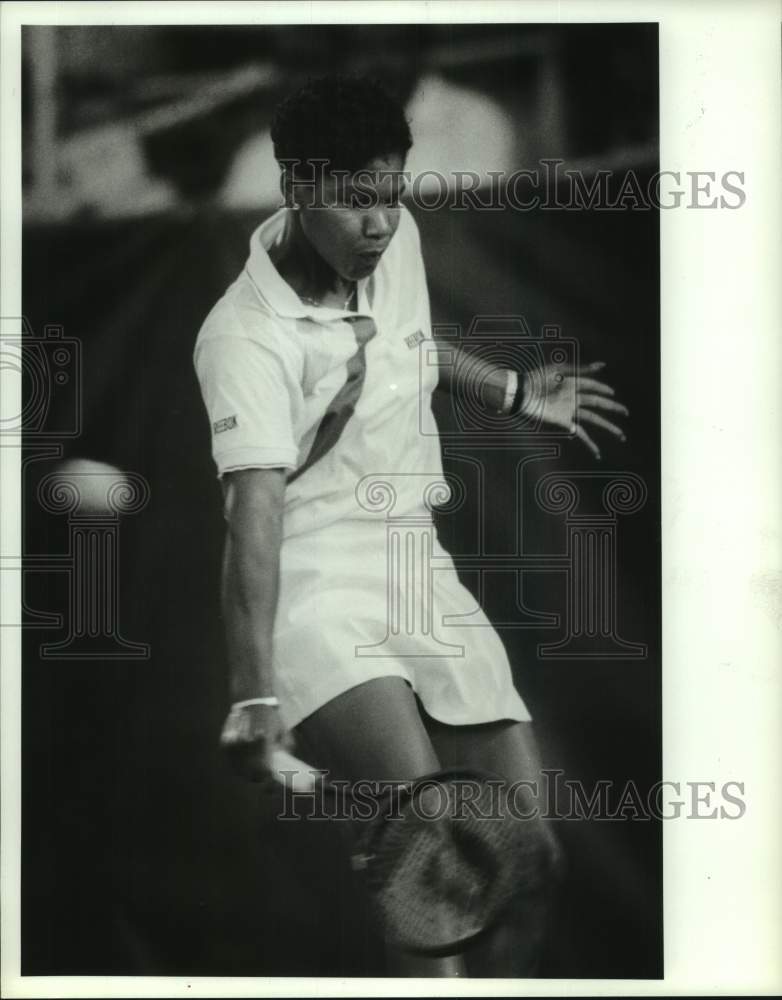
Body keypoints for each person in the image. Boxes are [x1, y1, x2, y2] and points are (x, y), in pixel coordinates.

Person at [194, 74, 628, 977]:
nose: (380, 223)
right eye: (356, 202)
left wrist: (512, 390)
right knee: (430, 854)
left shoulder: (391, 240)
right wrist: (253, 692)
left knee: (529, 861)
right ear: (296, 190)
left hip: (413, 565)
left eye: (391, 195)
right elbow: (256, 514)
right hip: (310, 582)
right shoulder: (241, 338)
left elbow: (410, 345)